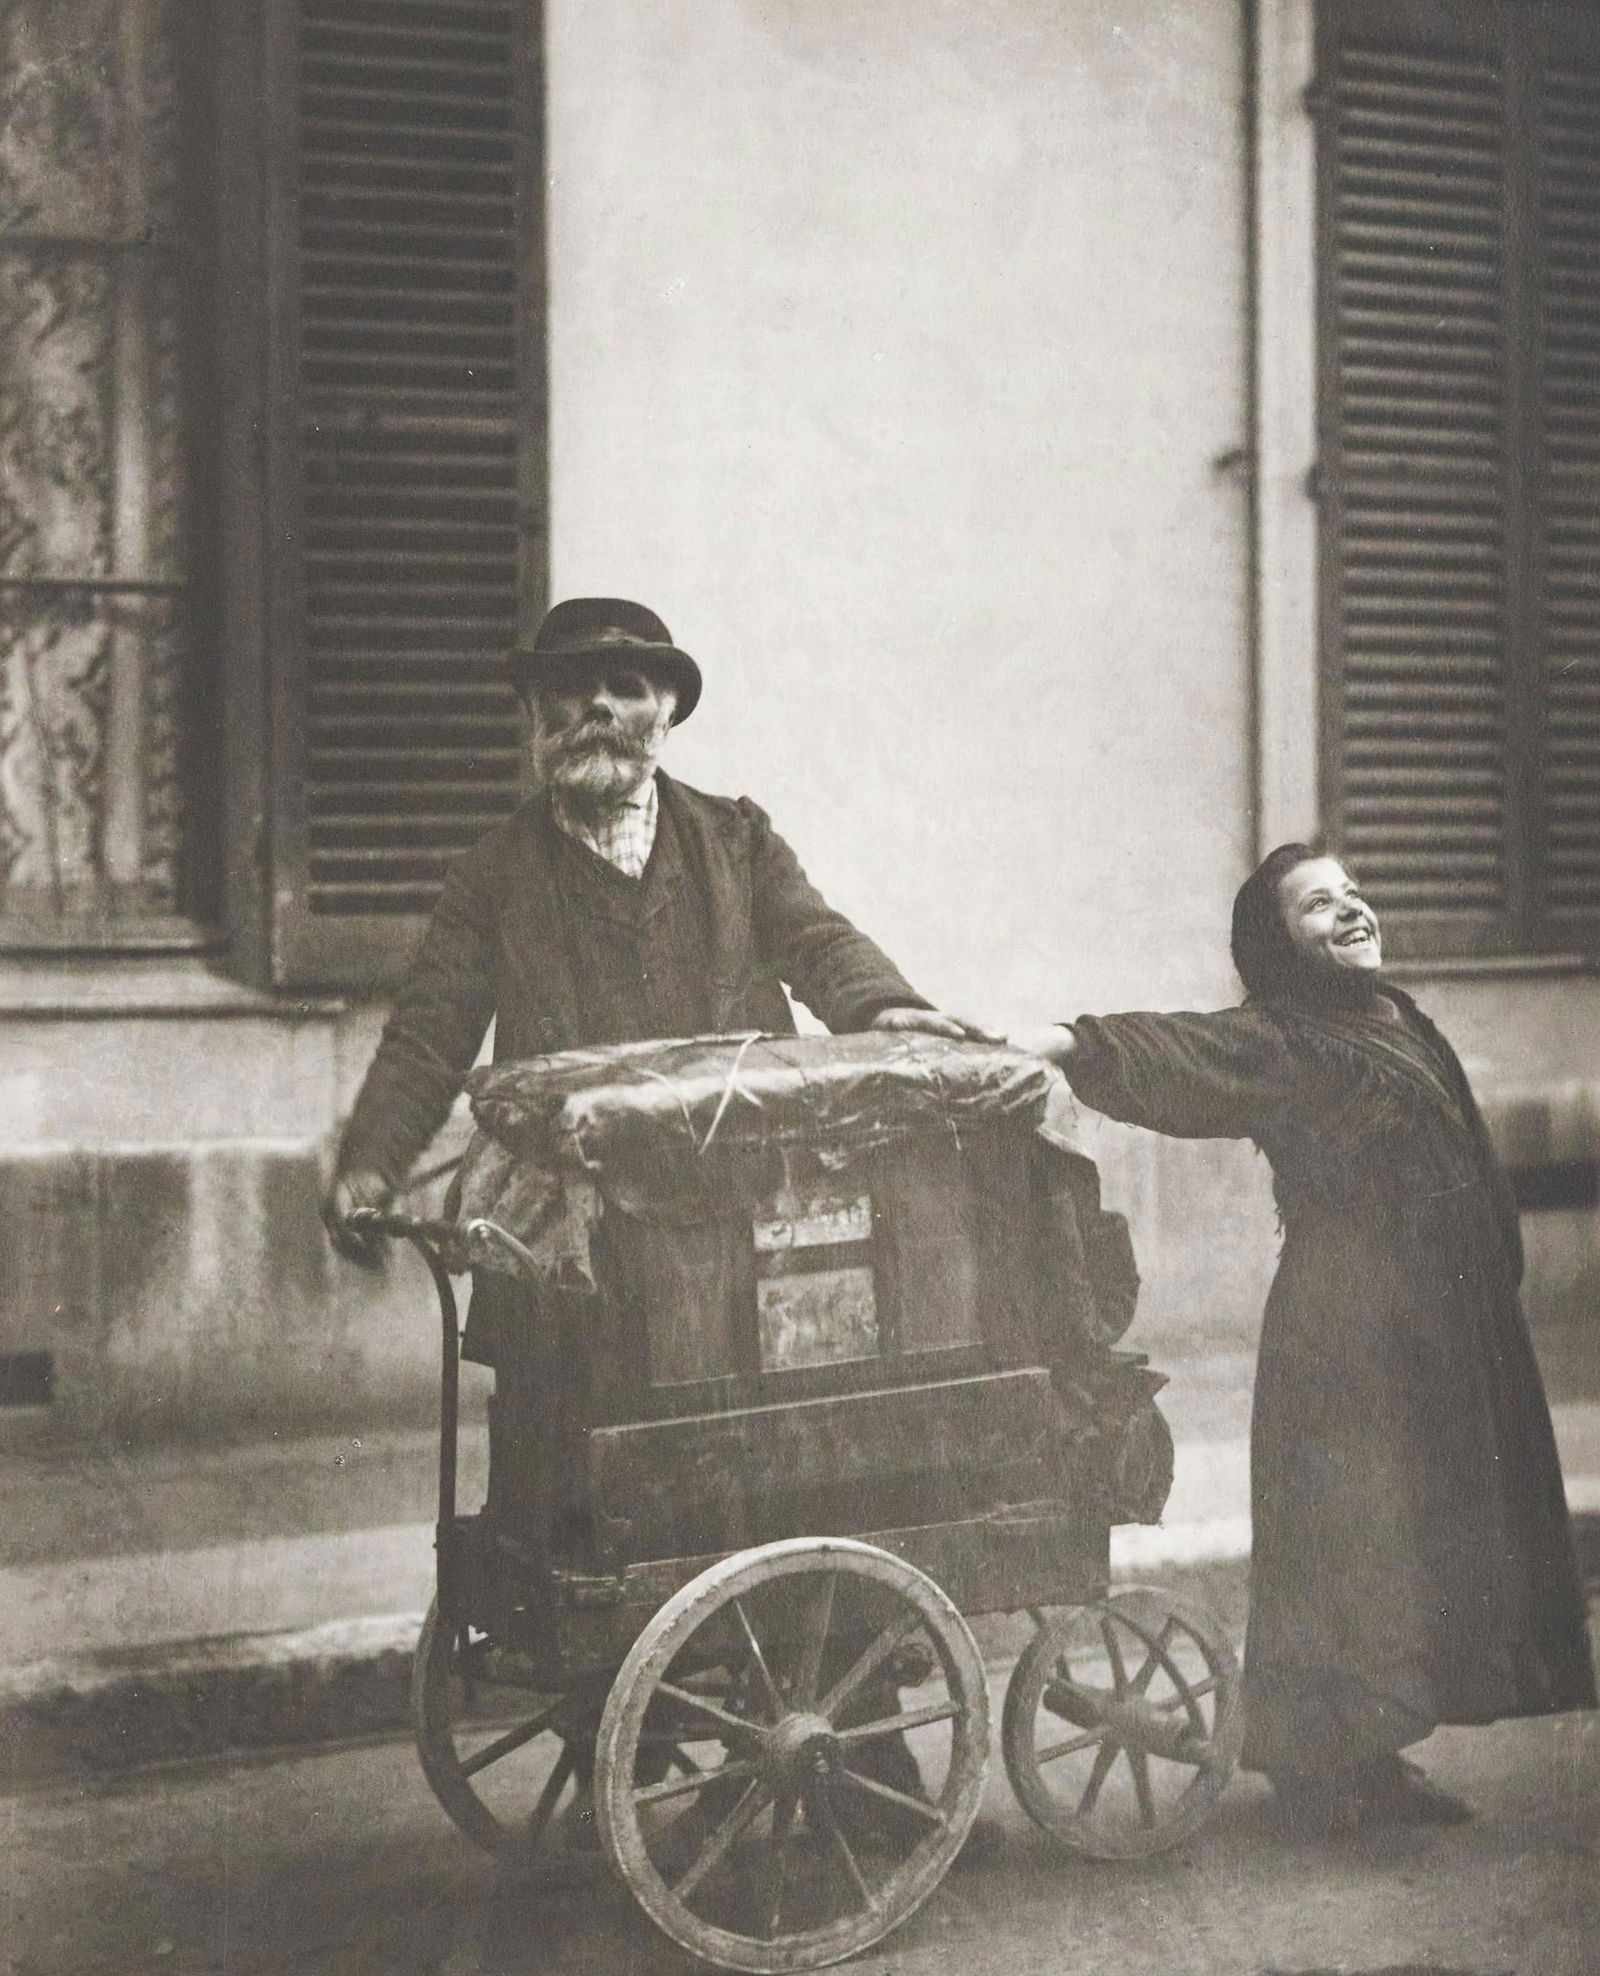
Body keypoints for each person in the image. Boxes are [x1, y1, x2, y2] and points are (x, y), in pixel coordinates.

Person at [322, 595, 982, 1840]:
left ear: (666, 712)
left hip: (746, 1235)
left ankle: (874, 1768)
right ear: (534, 721)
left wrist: (888, 1010)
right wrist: (370, 1165)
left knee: (802, 1473)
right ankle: (659, 1744)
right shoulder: (495, 874)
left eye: (625, 687)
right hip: (572, 1245)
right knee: (588, 1490)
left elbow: (821, 945)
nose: (596, 711)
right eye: (567, 690)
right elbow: (428, 1033)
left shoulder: (734, 841)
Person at [1011, 844, 1596, 1833]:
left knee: (1414, 1535)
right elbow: (1187, 1048)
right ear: (1275, 947)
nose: (1351, 911)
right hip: (1350, 1327)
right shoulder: (1285, 1040)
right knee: (1350, 1541)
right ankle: (1324, 1767)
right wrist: (1066, 1040)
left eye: (1353, 895)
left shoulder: (1394, 1019)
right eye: (1318, 906)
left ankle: (1373, 1752)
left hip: (1436, 1322)